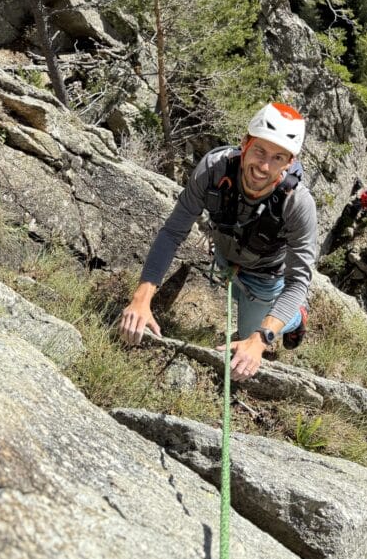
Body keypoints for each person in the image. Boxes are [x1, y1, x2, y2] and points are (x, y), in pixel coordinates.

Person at [119, 102, 317, 382]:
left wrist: (261, 339)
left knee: (250, 332)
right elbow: (173, 232)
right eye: (259, 150)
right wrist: (141, 298)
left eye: (277, 158)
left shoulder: (298, 203)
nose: (263, 166)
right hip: (225, 255)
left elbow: (298, 282)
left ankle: (295, 318)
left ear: (290, 163)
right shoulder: (214, 169)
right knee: (238, 304)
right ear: (245, 143)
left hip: (264, 277)